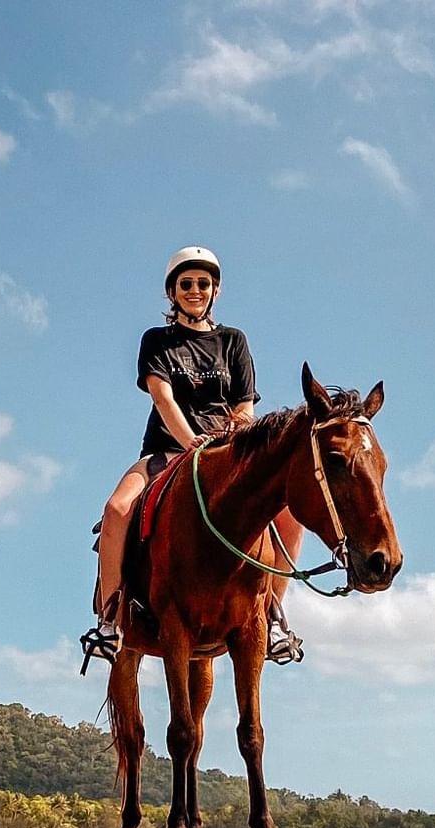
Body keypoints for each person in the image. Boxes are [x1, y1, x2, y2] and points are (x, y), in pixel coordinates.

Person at [80, 245, 303, 664]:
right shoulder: (157, 340)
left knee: (287, 513)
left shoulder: (234, 341)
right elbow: (162, 398)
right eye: (186, 284)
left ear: (215, 290)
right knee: (117, 508)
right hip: (167, 450)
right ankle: (109, 621)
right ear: (173, 293)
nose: (194, 290)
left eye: (203, 283)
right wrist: (190, 442)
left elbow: (244, 409)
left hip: (225, 456)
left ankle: (272, 616)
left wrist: (227, 444)